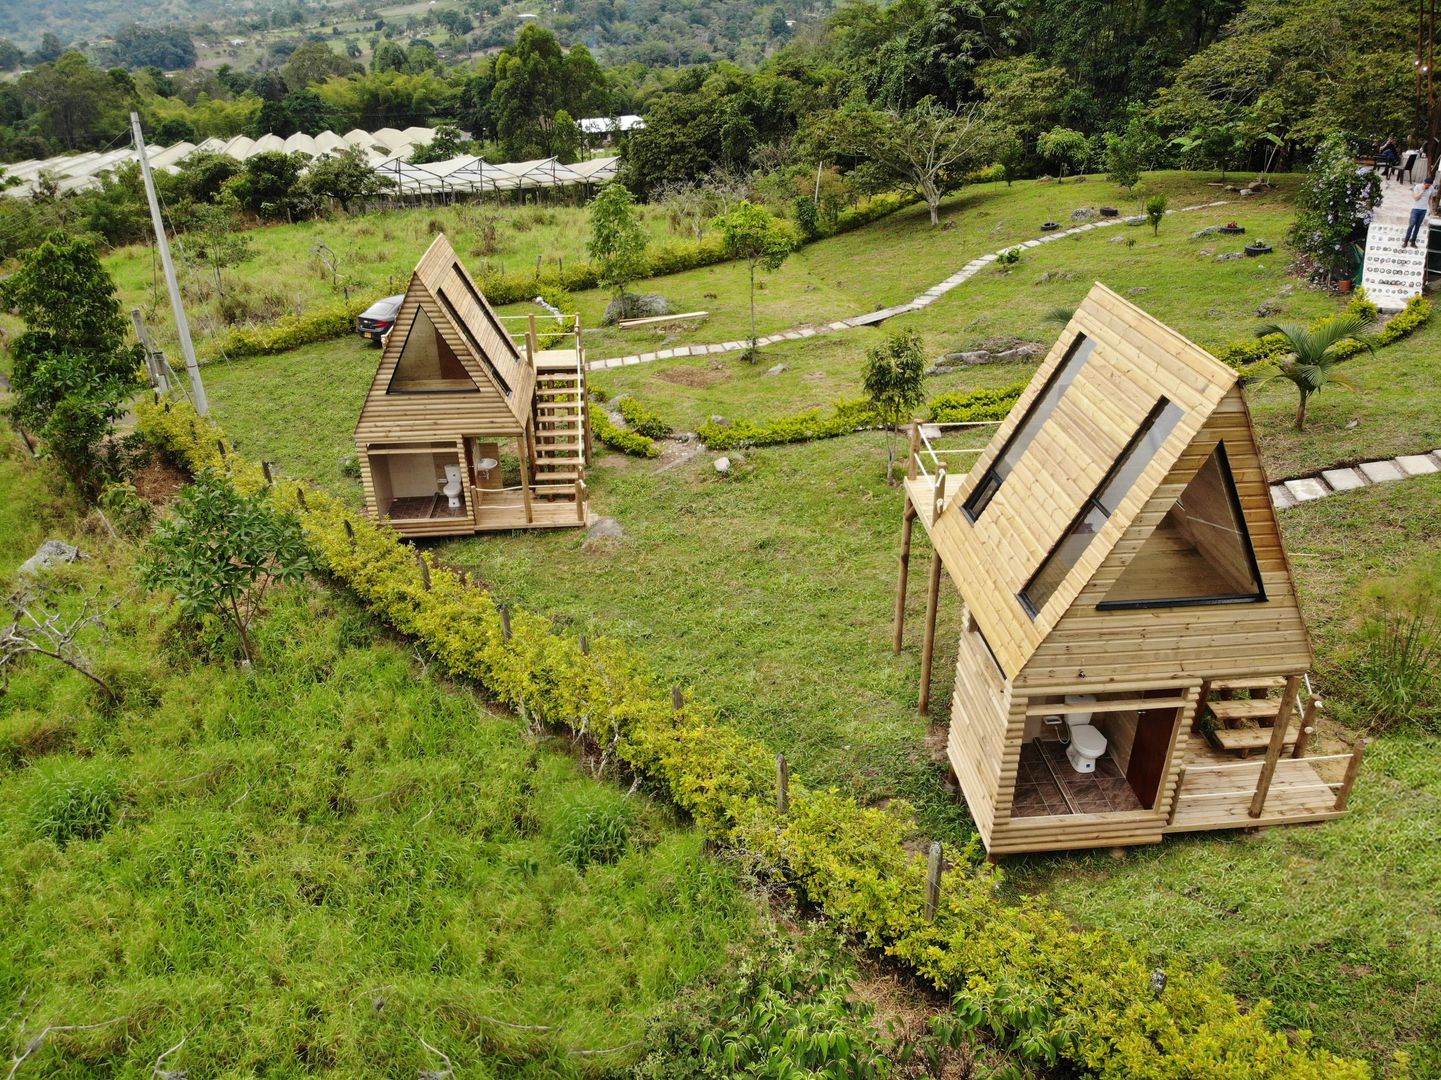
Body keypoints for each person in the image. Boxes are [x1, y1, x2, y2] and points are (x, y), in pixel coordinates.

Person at [1403, 175, 1433, 248]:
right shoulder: (1417, 187)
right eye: (1427, 185)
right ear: (1424, 183)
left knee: (1417, 226)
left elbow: (1430, 199)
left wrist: (1431, 209)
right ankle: (1406, 241)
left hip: (1424, 210)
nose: (1428, 186)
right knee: (1411, 225)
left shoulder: (1431, 188)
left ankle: (1413, 241)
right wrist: (1423, 190)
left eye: (1429, 185)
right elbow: (1415, 198)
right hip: (1415, 209)